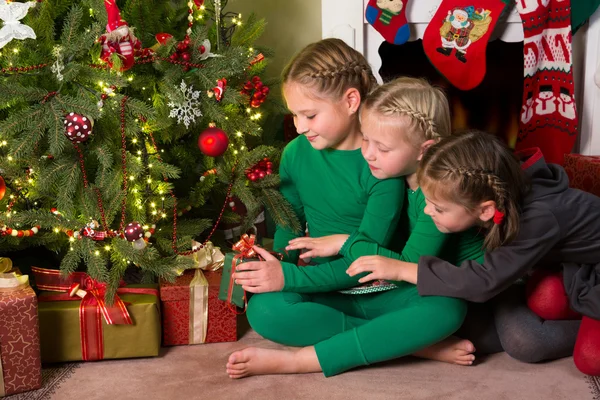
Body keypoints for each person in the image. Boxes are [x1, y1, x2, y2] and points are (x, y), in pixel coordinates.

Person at [226, 76, 485, 379]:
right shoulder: (389, 175)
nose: (368, 154)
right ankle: (407, 343)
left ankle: (302, 361)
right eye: (365, 140)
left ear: (423, 150)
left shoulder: (437, 200)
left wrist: (343, 243)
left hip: (410, 290)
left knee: (447, 310)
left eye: (382, 147)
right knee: (266, 309)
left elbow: (406, 270)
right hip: (370, 293)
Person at [347, 130, 600, 376]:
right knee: (533, 304)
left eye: (438, 208)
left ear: (486, 210)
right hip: (569, 266)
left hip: (589, 269)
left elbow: (484, 281)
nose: (427, 212)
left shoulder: (539, 216)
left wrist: (402, 269)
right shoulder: (495, 187)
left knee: (569, 351)